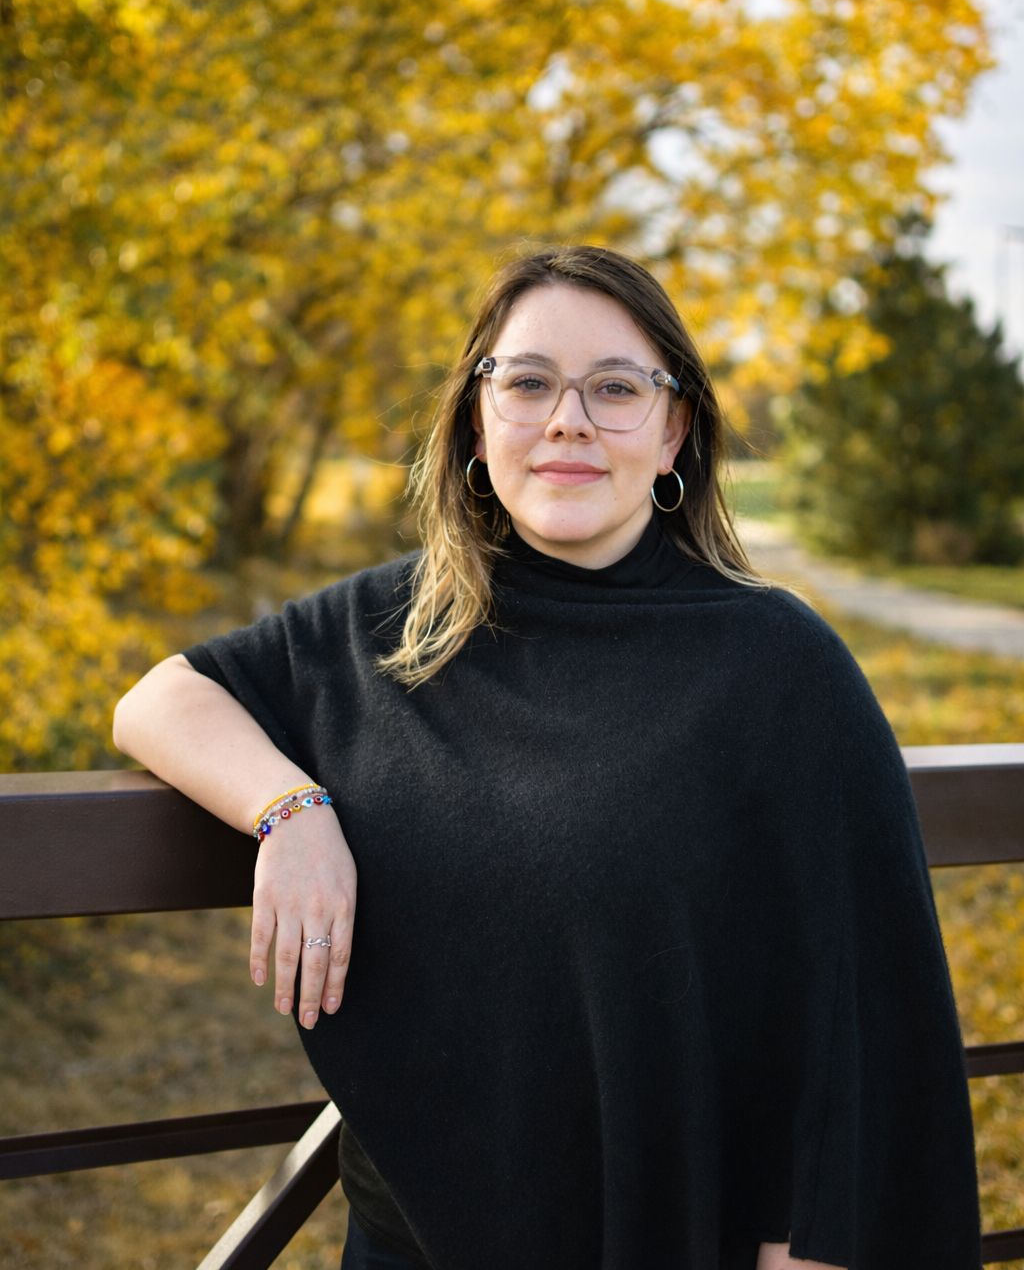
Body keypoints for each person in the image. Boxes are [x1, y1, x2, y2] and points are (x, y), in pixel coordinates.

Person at [112, 246, 983, 1270]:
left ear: (674, 432)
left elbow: (857, 1021)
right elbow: (159, 699)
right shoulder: (393, 627)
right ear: (477, 420)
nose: (566, 418)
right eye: (526, 382)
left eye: (614, 388)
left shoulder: (778, 666)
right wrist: (289, 810)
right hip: (406, 1246)